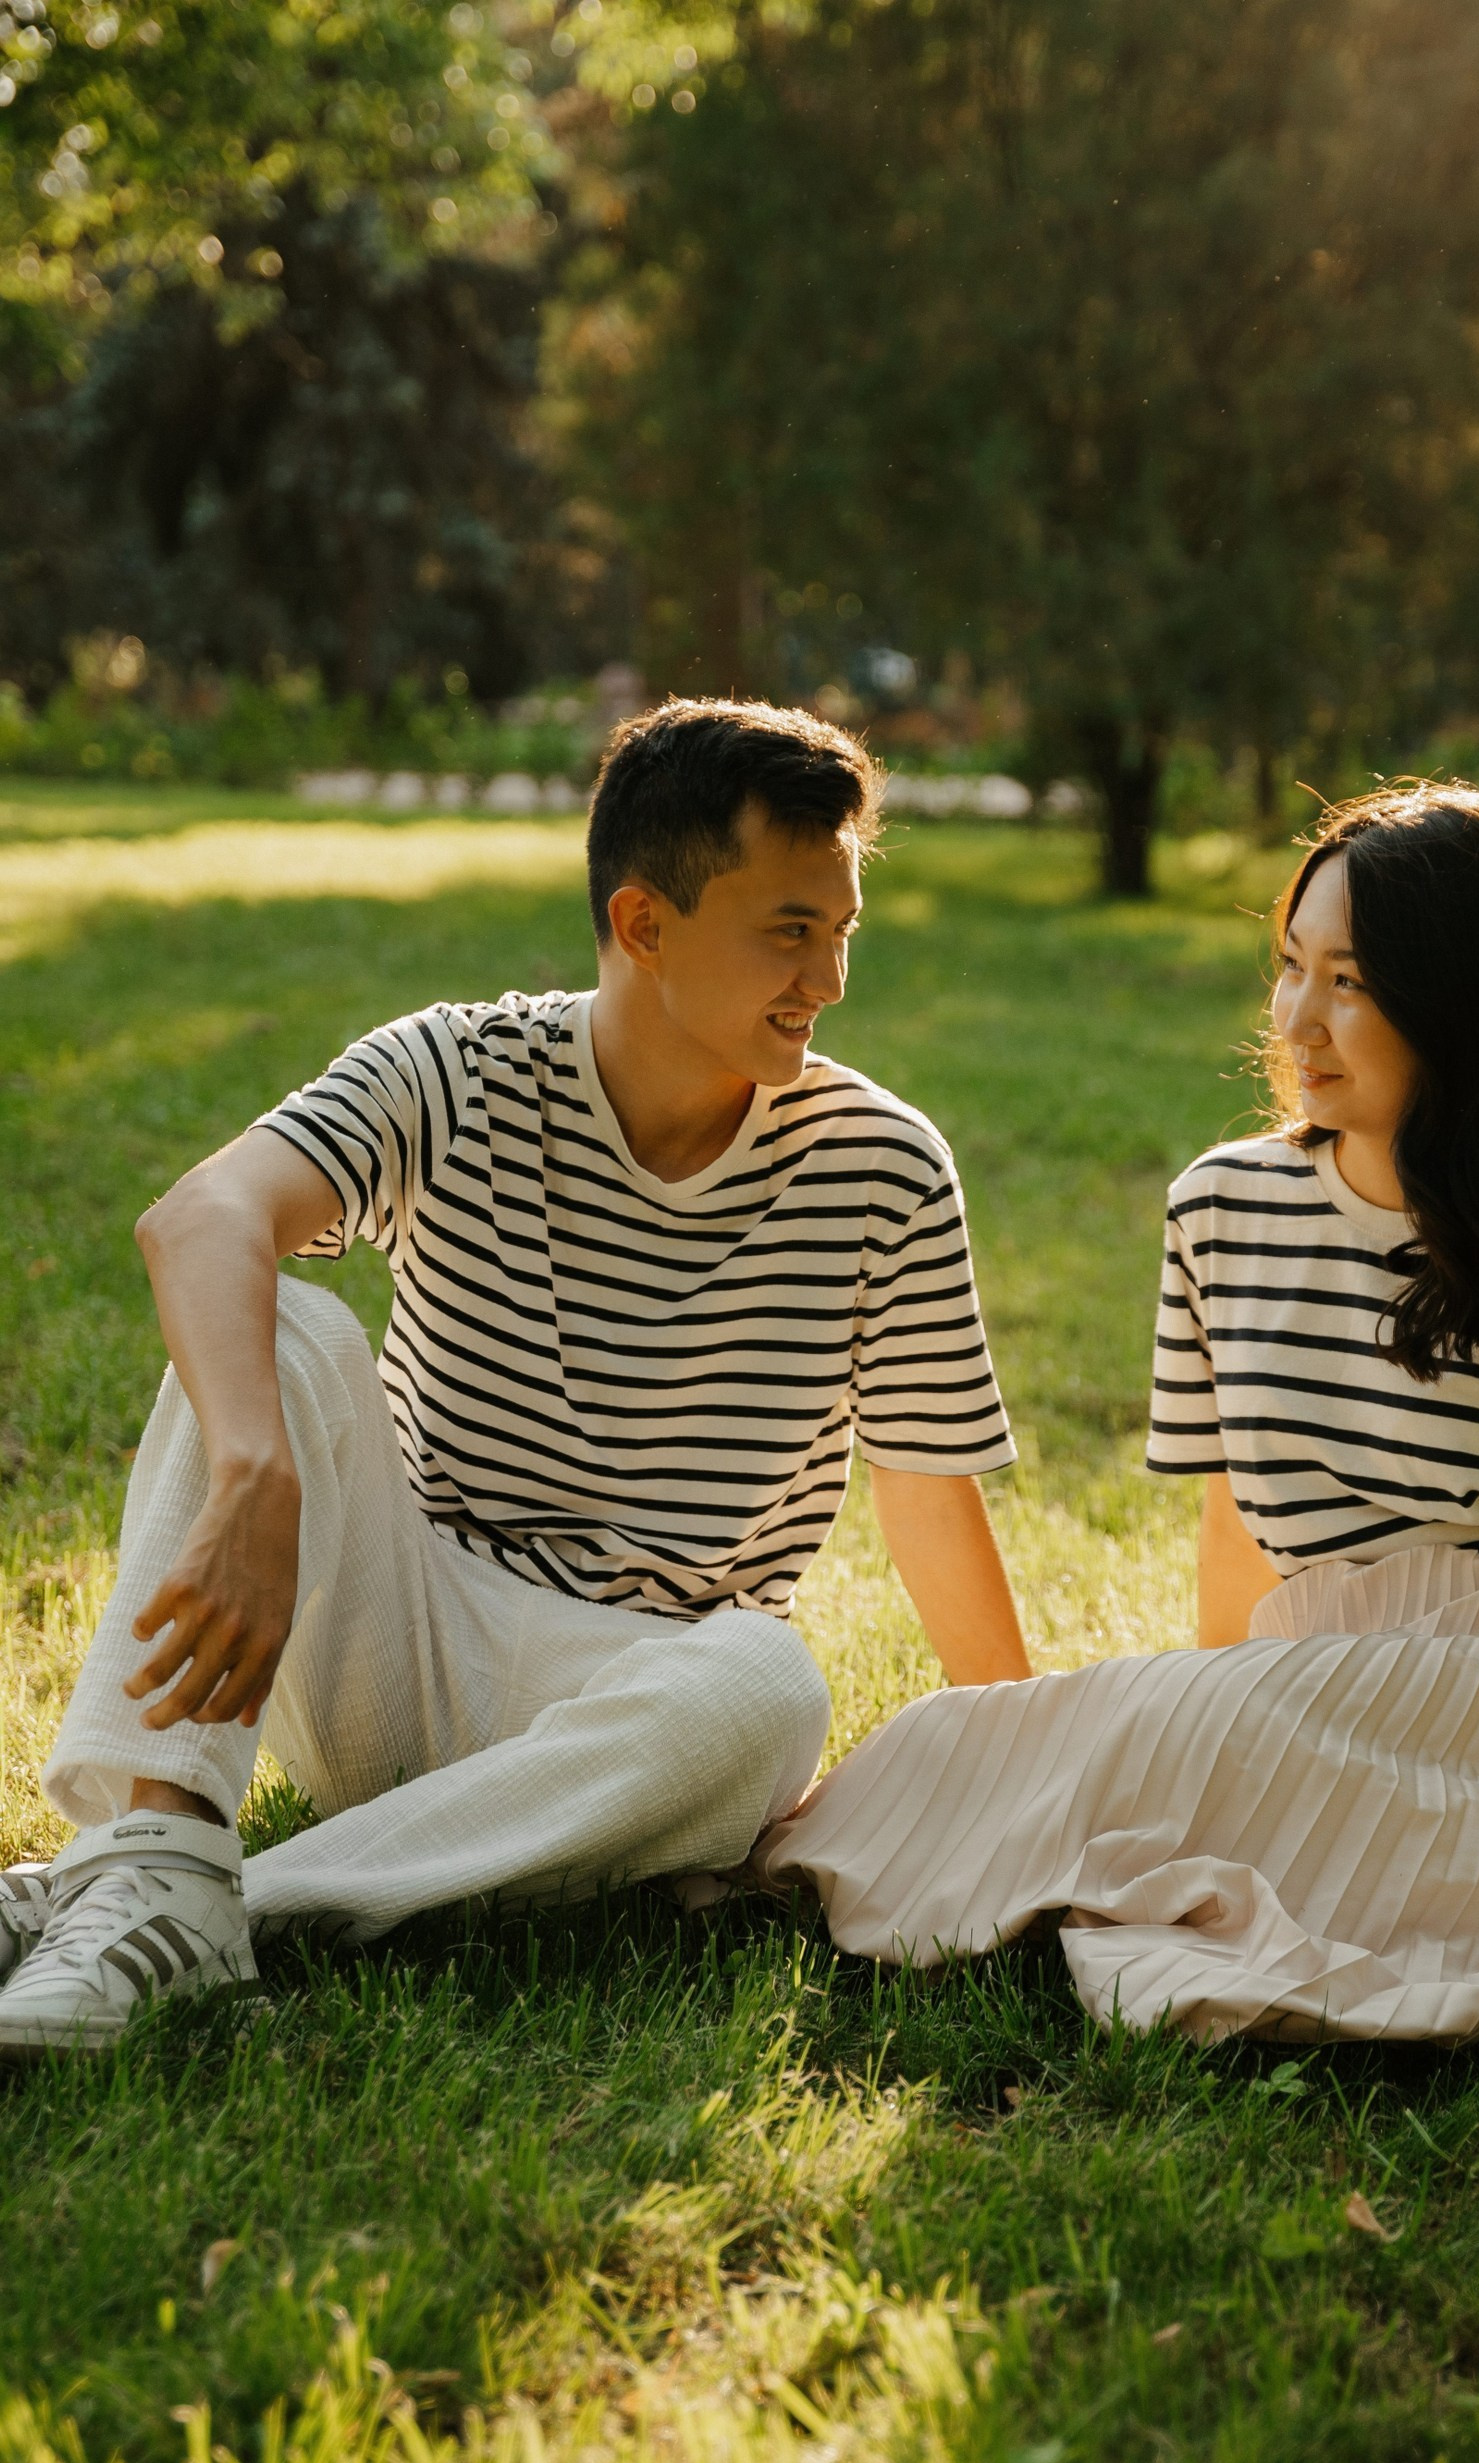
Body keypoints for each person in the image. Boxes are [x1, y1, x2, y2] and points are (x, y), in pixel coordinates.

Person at [757, 783, 1479, 2107]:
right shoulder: (1220, 1212)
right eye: (1290, 968)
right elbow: (1240, 1525)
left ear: (1467, 1006)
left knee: (1028, 1809)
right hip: (1343, 1673)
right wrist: (1215, 1725)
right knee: (1029, 1809)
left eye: (1352, 982)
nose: (1299, 1020)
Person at [0, 699, 1031, 2058]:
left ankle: (180, 1904)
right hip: (396, 1632)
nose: (829, 979)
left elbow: (925, 1490)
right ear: (643, 923)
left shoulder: (882, 1168)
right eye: (790, 929)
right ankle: (159, 1846)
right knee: (285, 1331)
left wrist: (1028, 1772)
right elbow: (199, 1219)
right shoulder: (459, 1068)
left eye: (843, 931)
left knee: (772, 1684)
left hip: (638, 1705)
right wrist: (256, 1473)